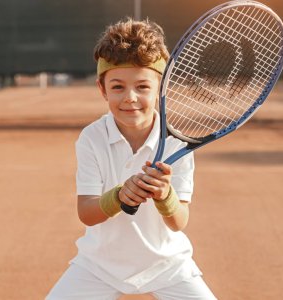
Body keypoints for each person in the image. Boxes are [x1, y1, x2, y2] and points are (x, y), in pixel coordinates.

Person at [46, 18, 216, 300]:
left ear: (161, 89)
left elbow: (179, 221)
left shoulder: (177, 143)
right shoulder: (92, 138)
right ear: (102, 90)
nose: (130, 98)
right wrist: (119, 196)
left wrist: (165, 195)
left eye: (142, 86)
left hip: (168, 265)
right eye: (117, 87)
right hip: (99, 266)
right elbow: (86, 213)